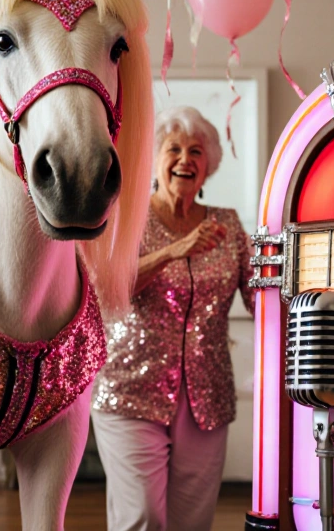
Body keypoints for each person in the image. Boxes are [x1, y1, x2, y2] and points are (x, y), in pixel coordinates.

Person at [91, 106, 255, 531]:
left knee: (192, 522)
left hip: (207, 397)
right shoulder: (126, 216)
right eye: (174, 149)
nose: (186, 159)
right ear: (154, 158)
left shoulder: (228, 225)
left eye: (196, 151)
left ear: (208, 166)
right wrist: (172, 252)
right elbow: (108, 290)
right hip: (130, 391)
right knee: (142, 516)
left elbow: (260, 301)